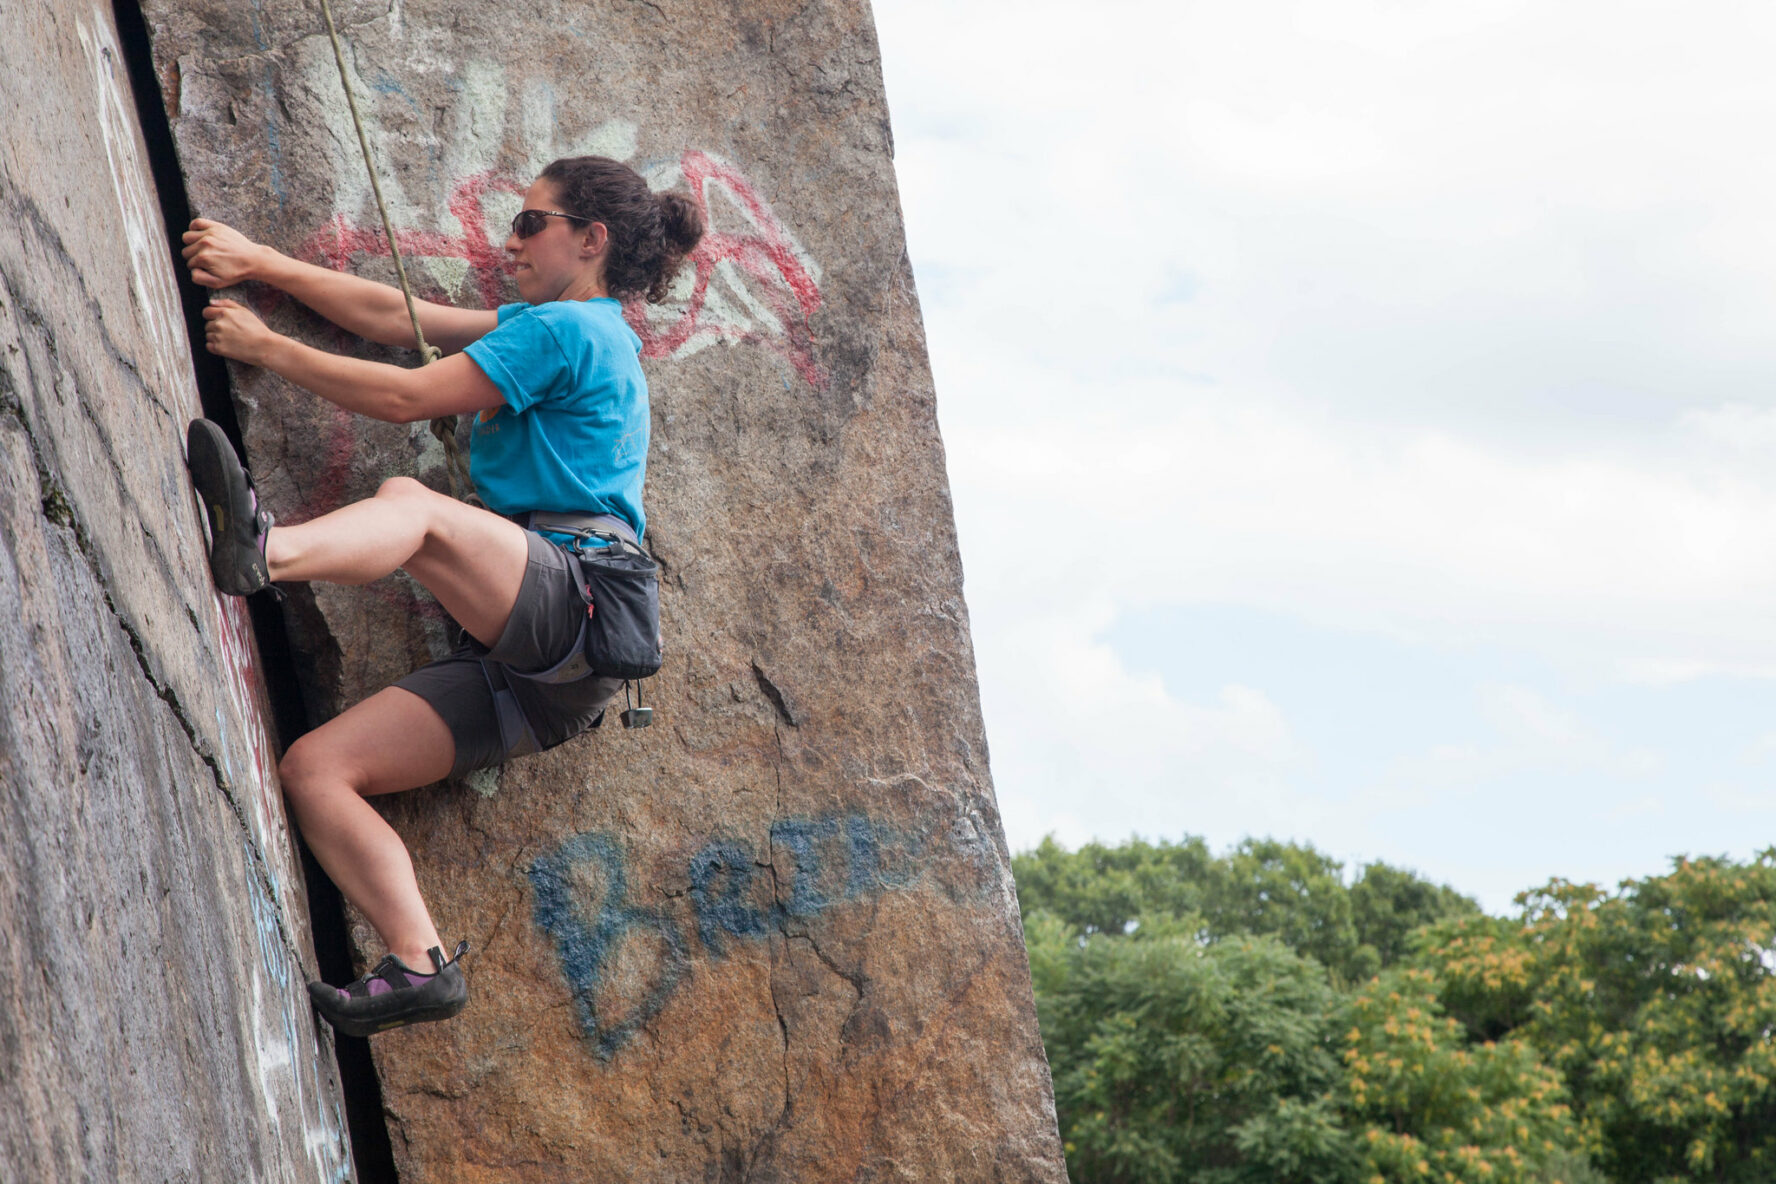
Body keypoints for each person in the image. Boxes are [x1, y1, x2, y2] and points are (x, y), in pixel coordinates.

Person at [181, 156, 705, 1036]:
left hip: (574, 598)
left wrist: (268, 347)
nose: (510, 240)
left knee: (416, 511)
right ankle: (421, 965)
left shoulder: (570, 331)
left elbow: (404, 393)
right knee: (318, 771)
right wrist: (263, 264)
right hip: (542, 678)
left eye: (531, 222)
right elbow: (404, 319)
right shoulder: (564, 325)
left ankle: (265, 551)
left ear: (591, 240)